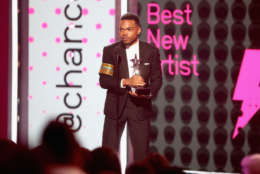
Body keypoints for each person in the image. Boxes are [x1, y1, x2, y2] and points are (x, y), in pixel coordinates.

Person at [99, 13, 162, 162]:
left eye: (129, 29)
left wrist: (148, 93)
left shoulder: (151, 51)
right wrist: (126, 81)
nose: (124, 33)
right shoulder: (110, 51)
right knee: (107, 155)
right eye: (121, 29)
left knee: (141, 156)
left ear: (139, 30)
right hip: (115, 108)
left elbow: (157, 80)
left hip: (140, 108)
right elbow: (104, 80)